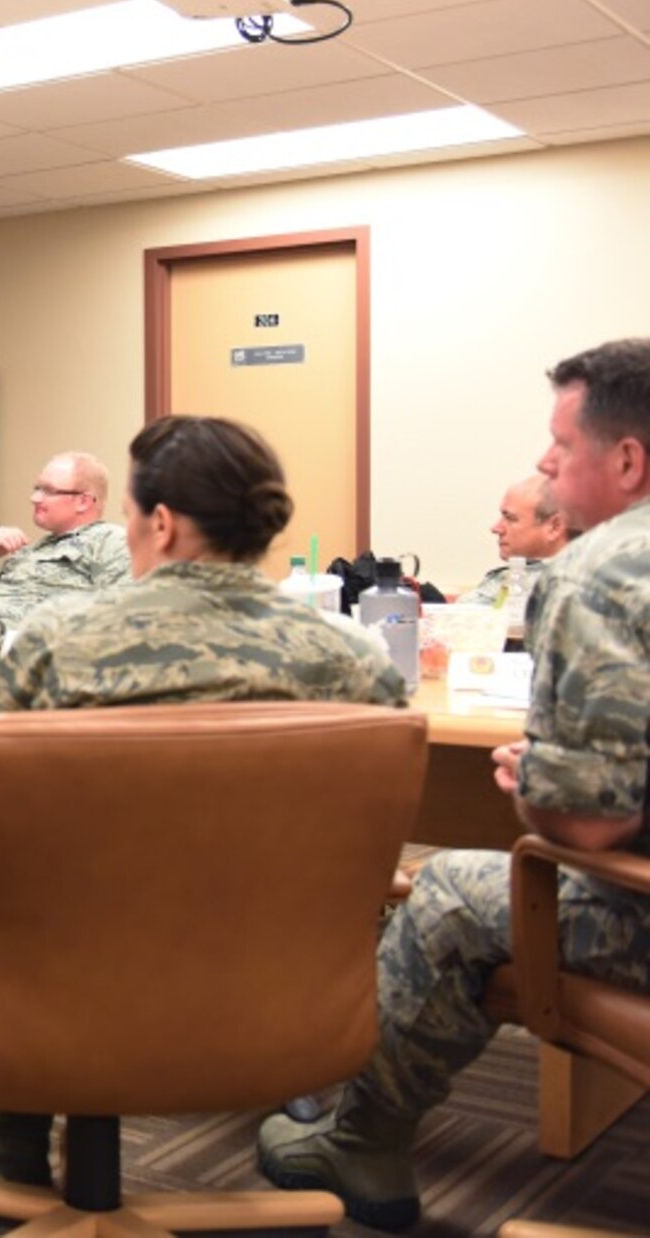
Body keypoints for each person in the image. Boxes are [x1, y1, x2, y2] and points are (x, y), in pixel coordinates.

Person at [0, 415, 407, 1188]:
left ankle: (19, 1118)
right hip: (290, 984)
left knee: (29, 879)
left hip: (76, 974)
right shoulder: (355, 659)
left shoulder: (61, 639)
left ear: (160, 522)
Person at [259, 341, 650, 1232]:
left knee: (443, 891)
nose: (547, 464)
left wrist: (536, 781)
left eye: (561, 445)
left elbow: (588, 829)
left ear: (627, 460)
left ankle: (361, 1142)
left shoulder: (602, 570)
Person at [0, 450, 130, 657]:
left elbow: (121, 620)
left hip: (33, 663)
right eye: (37, 489)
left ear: (83, 501)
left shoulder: (112, 541)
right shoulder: (29, 551)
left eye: (49, 491)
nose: (34, 498)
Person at [457, 473, 570, 608]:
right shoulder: (515, 576)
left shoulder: (564, 590)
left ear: (554, 527)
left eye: (510, 518)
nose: (496, 528)